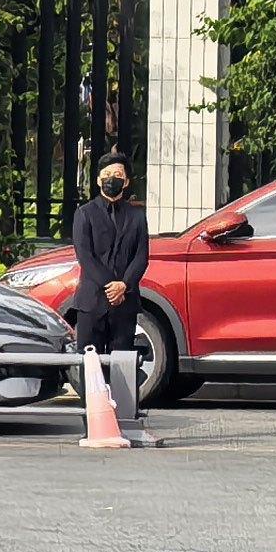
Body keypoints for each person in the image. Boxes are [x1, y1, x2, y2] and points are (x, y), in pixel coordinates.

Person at [71, 156, 160, 442]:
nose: (113, 178)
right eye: (107, 173)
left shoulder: (137, 216)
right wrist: (110, 284)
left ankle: (121, 423)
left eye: (118, 174)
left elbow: (141, 256)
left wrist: (124, 285)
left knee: (122, 364)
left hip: (125, 302)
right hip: (92, 302)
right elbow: (85, 255)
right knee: (91, 365)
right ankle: (93, 425)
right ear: (98, 180)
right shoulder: (84, 213)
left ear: (127, 181)